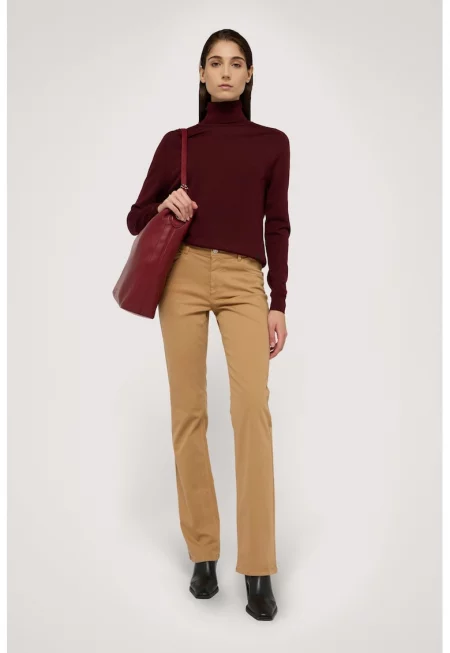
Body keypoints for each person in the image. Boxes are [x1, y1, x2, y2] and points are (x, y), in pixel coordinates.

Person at [126, 29, 290, 622]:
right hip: (185, 277)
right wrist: (165, 203)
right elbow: (135, 218)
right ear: (201, 74)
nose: (225, 72)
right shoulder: (179, 143)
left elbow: (278, 224)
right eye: (215, 63)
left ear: (249, 75)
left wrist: (278, 301)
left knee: (251, 413)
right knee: (189, 413)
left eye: (236, 63)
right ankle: (203, 552)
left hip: (246, 280)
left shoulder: (273, 143)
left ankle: (259, 566)